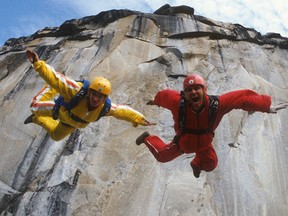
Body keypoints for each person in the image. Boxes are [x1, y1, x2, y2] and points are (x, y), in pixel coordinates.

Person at [135, 74, 288, 178]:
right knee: (162, 156)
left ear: (204, 90)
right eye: (189, 90)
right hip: (183, 144)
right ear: (185, 94)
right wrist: (155, 101)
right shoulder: (178, 103)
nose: (193, 92)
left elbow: (242, 98)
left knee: (211, 164)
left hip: (204, 145)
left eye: (197, 88)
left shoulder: (216, 105)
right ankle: (148, 138)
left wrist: (265, 106)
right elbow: (164, 96)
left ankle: (196, 164)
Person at [24, 49, 155, 141]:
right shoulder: (77, 91)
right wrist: (38, 63)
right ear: (89, 92)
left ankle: (36, 119)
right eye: (94, 94)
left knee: (56, 137)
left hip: (70, 124)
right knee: (34, 106)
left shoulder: (105, 108)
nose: (95, 99)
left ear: (104, 98)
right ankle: (50, 89)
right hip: (59, 111)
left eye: (100, 97)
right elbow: (55, 78)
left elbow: (123, 112)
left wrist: (140, 119)